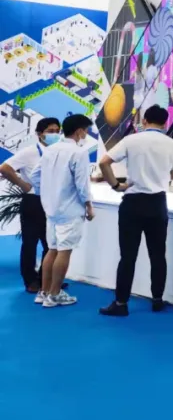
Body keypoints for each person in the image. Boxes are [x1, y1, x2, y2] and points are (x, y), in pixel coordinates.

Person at [98, 105, 173, 317]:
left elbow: (104, 163)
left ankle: (121, 303)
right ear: (165, 123)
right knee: (158, 255)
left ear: (144, 120)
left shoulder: (131, 140)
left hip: (133, 203)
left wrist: (116, 186)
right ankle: (157, 300)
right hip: (157, 203)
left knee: (127, 256)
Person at [29, 114, 94, 308]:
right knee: (64, 252)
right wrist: (89, 205)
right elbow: (82, 184)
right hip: (70, 209)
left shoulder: (50, 150)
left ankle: (44, 292)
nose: (86, 135)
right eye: (86, 131)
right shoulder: (79, 153)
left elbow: (34, 175)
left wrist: (48, 191)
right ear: (79, 131)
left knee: (52, 250)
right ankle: (55, 294)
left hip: (51, 208)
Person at [1, 117, 61, 293]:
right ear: (39, 134)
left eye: (57, 131)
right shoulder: (29, 152)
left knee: (51, 243)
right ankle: (30, 281)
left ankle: (45, 279)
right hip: (33, 201)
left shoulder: (59, 151)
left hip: (52, 201)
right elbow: (4, 168)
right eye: (50, 131)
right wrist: (23, 184)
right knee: (30, 243)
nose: (55, 134)